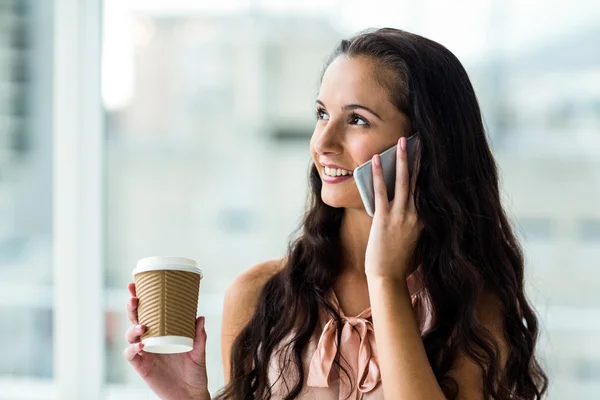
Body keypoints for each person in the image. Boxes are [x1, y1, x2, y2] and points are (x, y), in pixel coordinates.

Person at [123, 28, 549, 400]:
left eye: (358, 120)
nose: (323, 141)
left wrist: (385, 280)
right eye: (322, 113)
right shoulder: (260, 296)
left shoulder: (473, 308)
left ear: (423, 146)